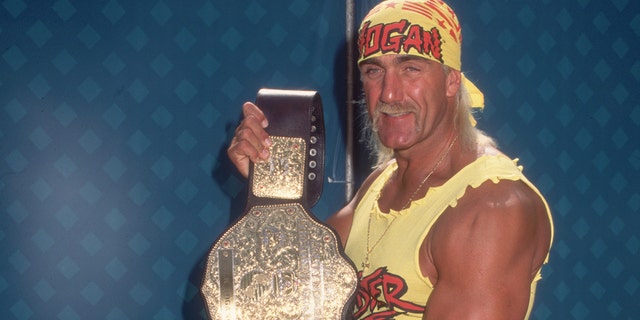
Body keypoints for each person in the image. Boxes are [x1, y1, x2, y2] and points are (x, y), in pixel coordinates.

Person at [227, 0, 553, 319]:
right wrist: (270, 190)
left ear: (452, 80)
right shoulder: (381, 185)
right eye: (374, 71)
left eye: (410, 68)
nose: (389, 94)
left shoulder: (492, 209)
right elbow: (283, 297)